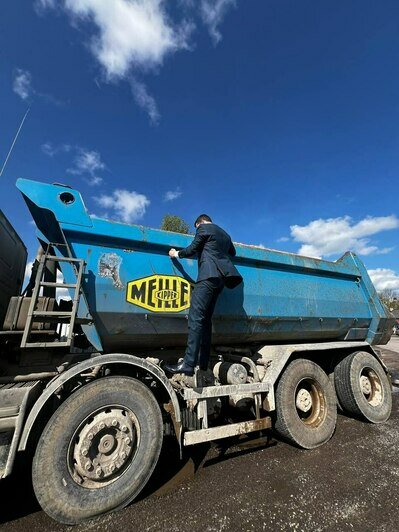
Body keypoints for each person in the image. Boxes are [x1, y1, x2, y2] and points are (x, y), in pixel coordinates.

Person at [164, 214, 242, 376]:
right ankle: (204, 362)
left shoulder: (204, 228)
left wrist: (176, 254)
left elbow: (193, 248)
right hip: (220, 280)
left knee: (195, 317)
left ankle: (188, 363)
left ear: (199, 223)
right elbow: (232, 252)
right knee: (205, 321)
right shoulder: (225, 234)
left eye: (196, 227)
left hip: (207, 276)